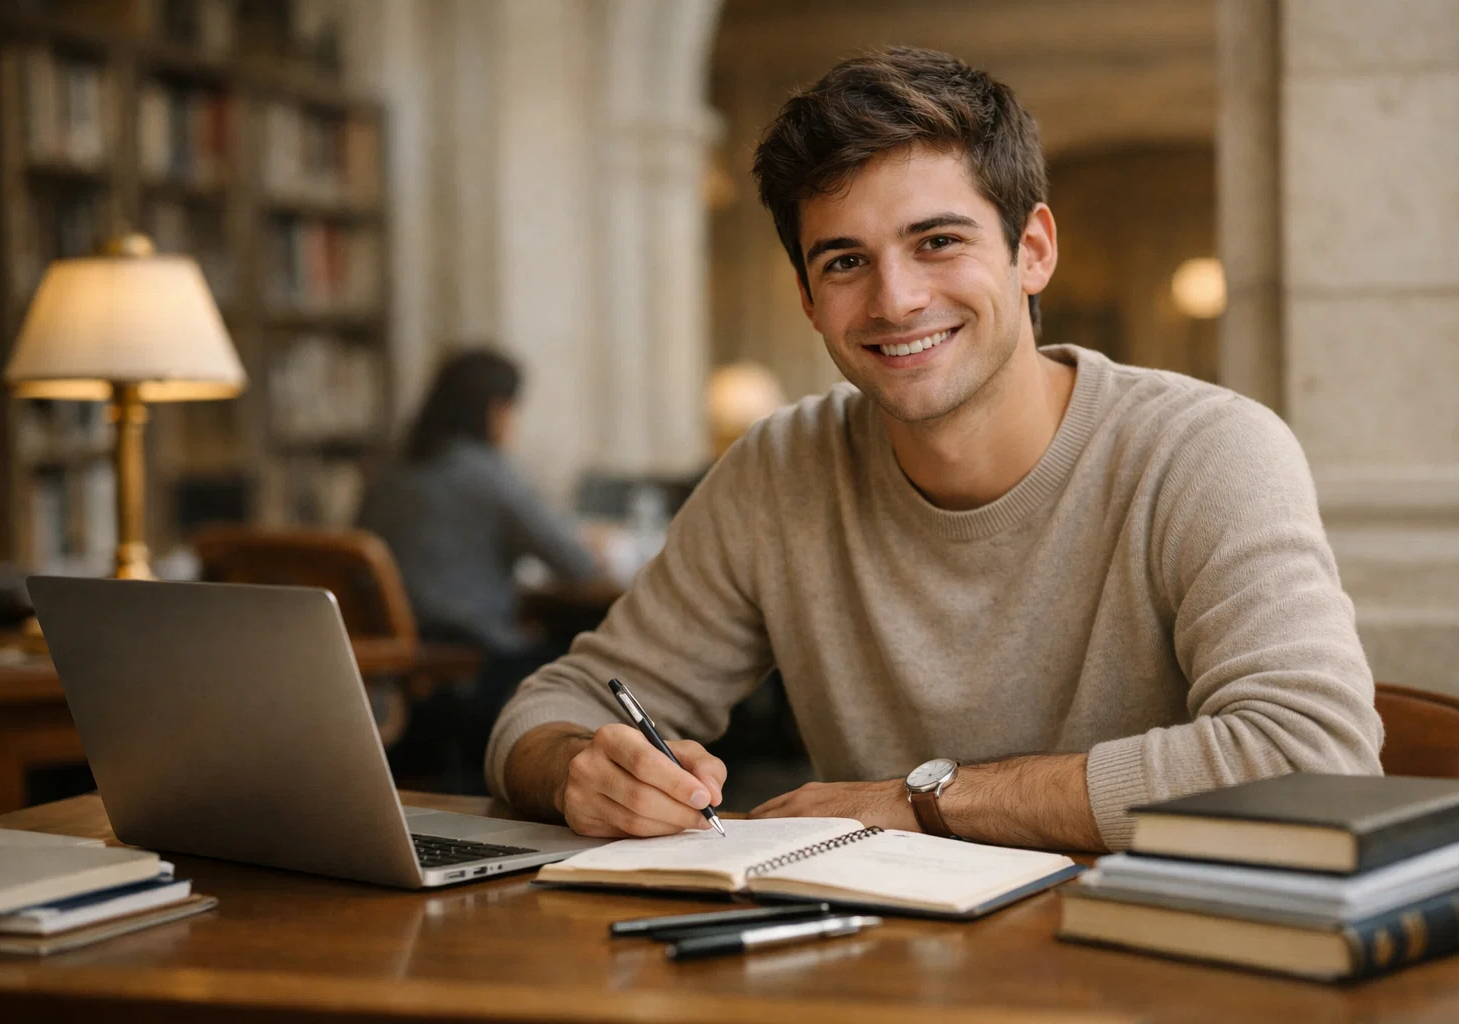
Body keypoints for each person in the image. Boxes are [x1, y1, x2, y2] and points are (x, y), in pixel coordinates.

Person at [487, 47, 1383, 850]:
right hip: (881, 965)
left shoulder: (1207, 452)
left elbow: (1317, 756)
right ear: (808, 300)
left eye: (938, 242)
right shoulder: (779, 470)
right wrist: (580, 773)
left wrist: (924, 801)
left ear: (1031, 251)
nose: (896, 299)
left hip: (1153, 964)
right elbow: (550, 708)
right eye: (844, 262)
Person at [358, 347, 599, 789]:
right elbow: (578, 565)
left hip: (393, 669)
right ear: (496, 409)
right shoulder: (487, 473)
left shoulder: (389, 470)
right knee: (587, 663)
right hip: (472, 663)